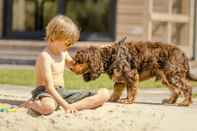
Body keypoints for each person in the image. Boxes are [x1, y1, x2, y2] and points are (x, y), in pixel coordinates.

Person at [23, 15, 110, 115]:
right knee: (48, 108)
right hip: (46, 93)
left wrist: (95, 52)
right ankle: (31, 104)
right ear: (54, 37)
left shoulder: (63, 53)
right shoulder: (45, 57)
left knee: (104, 93)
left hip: (62, 93)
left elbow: (76, 68)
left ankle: (72, 106)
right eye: (67, 43)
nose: (70, 46)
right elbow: (49, 87)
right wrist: (65, 105)